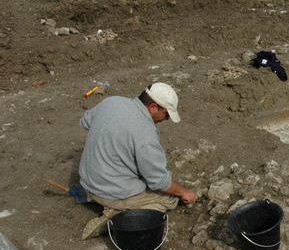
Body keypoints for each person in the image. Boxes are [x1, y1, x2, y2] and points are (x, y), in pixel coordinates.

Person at [78, 82, 199, 239]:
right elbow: (158, 181)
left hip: (87, 180)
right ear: (153, 107)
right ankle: (116, 218)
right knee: (169, 199)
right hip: (108, 191)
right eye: (166, 113)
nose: (167, 119)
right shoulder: (145, 133)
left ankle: (111, 202)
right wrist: (184, 192)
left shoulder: (112, 101)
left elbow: (85, 122)